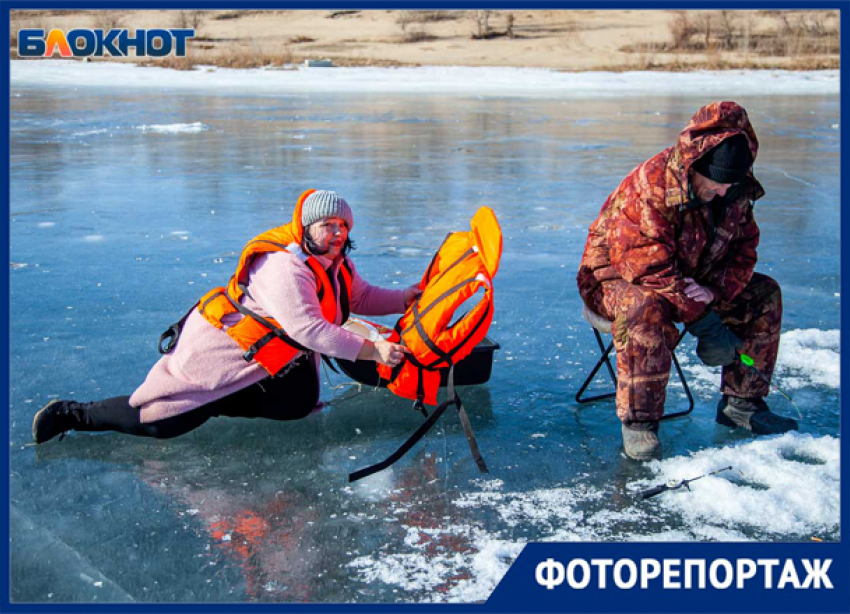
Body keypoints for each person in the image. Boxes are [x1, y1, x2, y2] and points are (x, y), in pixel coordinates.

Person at [32, 190, 420, 443]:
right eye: (327, 225)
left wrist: (405, 298)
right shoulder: (284, 266)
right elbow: (308, 329)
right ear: (305, 227)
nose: (337, 233)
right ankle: (73, 414)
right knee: (161, 420)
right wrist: (373, 351)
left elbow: (360, 295)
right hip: (225, 347)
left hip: (269, 355)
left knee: (298, 403)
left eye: (343, 226)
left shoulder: (334, 261)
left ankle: (218, 401)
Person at [576, 101, 797, 461]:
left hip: (693, 278)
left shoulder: (734, 191)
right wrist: (707, 323)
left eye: (731, 184)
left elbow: (744, 251)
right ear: (696, 167)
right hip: (615, 278)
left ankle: (743, 404)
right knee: (643, 304)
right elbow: (645, 268)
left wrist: (712, 291)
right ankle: (640, 424)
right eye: (716, 184)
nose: (724, 192)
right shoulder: (651, 185)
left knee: (764, 293)